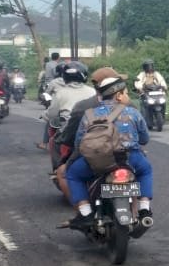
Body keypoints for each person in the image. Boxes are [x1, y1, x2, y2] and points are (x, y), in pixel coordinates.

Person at [66, 75, 154, 228]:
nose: (127, 96)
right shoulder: (133, 113)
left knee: (73, 174)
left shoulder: (89, 114)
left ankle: (86, 213)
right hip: (129, 159)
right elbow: (144, 139)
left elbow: (79, 143)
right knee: (145, 171)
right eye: (125, 93)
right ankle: (144, 209)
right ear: (119, 95)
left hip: (97, 162)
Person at [52, 67, 121, 202]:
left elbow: (73, 137)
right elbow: (143, 137)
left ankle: (82, 212)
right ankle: (140, 210)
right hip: (124, 154)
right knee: (142, 172)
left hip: (93, 153)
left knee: (65, 174)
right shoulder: (128, 104)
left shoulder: (83, 106)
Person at [41, 63, 94, 150]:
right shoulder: (92, 91)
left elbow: (52, 114)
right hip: (89, 127)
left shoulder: (60, 92)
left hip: (67, 128)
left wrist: (44, 115)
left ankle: (59, 160)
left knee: (55, 143)